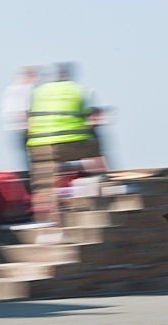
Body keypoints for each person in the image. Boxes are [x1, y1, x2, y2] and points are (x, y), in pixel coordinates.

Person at [26, 62, 102, 224]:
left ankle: (45, 223)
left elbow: (27, 118)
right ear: (68, 75)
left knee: (43, 186)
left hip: (38, 145)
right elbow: (91, 119)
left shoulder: (37, 92)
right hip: (71, 144)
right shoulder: (79, 90)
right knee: (96, 147)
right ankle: (100, 185)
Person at [0, 66, 38, 172]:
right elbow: (26, 110)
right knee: (33, 159)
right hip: (26, 128)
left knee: (24, 160)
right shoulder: (27, 89)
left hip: (13, 128)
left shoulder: (10, 89)